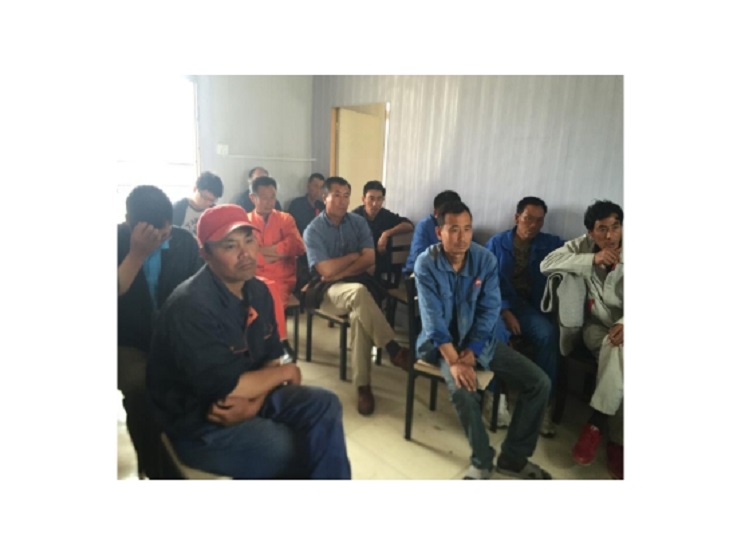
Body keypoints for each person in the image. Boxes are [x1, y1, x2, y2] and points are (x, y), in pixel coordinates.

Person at [146, 204, 351, 479]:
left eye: (249, 240)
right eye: (230, 246)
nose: (245, 253)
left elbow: (271, 357)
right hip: (201, 419)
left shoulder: (258, 291)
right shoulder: (191, 306)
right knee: (288, 447)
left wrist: (256, 402)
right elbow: (227, 389)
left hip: (250, 395)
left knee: (325, 404)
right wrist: (287, 372)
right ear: (205, 254)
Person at [415, 200, 552, 479]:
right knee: (463, 392)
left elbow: (490, 310)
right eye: (454, 229)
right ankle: (482, 459)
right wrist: (456, 362)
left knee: (539, 382)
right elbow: (433, 320)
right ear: (439, 232)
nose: (462, 237)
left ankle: (513, 457)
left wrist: (473, 351)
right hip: (442, 346)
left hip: (480, 343)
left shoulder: (484, 259)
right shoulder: (426, 263)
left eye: (467, 228)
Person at [303, 176, 411, 416]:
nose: (342, 201)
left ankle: (363, 386)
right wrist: (354, 257)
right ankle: (393, 348)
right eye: (336, 195)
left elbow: (370, 259)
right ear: (324, 197)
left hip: (356, 286)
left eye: (346, 196)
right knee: (360, 294)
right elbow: (325, 271)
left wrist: (342, 269)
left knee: (359, 315)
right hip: (327, 291)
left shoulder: (358, 223)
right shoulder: (313, 230)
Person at [118, 185, 202, 478]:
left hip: (174, 335)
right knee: (140, 389)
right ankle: (154, 468)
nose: (161, 240)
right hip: (128, 341)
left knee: (200, 378)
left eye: (165, 234)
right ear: (130, 224)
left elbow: (198, 292)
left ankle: (188, 452)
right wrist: (137, 254)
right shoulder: (114, 241)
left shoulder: (183, 242)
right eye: (153, 236)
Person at [540, 200, 624, 479]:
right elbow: (546, 264)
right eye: (603, 229)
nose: (610, 236)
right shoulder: (583, 246)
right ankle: (617, 443)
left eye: (616, 227)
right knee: (618, 351)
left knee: (620, 352)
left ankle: (597, 424)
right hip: (595, 327)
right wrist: (592, 260)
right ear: (591, 232)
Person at [485, 196, 564, 437]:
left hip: (528, 308)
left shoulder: (547, 244)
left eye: (539, 221)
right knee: (497, 335)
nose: (532, 225)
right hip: (497, 305)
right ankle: (495, 398)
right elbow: (487, 282)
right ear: (517, 217)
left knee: (547, 334)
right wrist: (506, 311)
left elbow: (575, 249)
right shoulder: (497, 244)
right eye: (528, 219)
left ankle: (542, 406)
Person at [244, 176, 306, 357]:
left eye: (272, 197)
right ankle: (260, 342)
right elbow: (246, 253)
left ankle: (280, 341)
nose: (269, 202)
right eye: (264, 197)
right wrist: (278, 252)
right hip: (253, 275)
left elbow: (297, 247)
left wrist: (263, 251)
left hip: (282, 276)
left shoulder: (285, 219)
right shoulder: (244, 221)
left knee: (272, 293)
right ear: (252, 198)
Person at [351, 180, 413, 282]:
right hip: (359, 263)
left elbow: (409, 225)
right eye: (371, 199)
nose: (375, 204)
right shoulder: (354, 217)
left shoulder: (385, 215)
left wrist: (386, 234)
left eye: (379, 199)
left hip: (380, 265)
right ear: (363, 199)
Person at [403, 190, 461, 274]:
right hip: (419, 272)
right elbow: (419, 258)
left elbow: (472, 252)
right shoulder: (425, 226)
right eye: (447, 213)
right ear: (436, 213)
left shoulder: (461, 226)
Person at [287, 173, 325, 291]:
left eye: (321, 187)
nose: (317, 190)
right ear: (308, 186)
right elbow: (291, 228)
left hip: (318, 246)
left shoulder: (322, 206)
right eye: (315, 186)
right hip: (301, 246)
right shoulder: (297, 204)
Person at [172, 171, 224, 235]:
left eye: (212, 200)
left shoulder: (215, 212)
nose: (207, 203)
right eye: (204, 197)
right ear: (195, 189)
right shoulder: (178, 209)